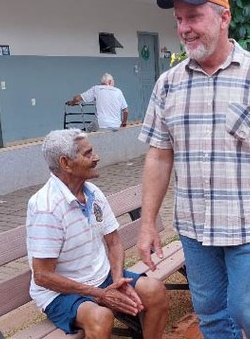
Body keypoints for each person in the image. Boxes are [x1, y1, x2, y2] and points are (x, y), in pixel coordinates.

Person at [137, 0, 250, 338]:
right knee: (211, 315)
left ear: (223, 17)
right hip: (193, 226)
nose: (184, 29)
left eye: (194, 17)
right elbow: (158, 156)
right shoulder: (168, 83)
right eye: (179, 20)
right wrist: (148, 222)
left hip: (246, 223)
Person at [26, 129, 168, 339]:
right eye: (88, 154)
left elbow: (114, 242)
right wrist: (100, 295)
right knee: (101, 318)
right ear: (66, 163)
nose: (96, 157)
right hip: (60, 293)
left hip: (103, 278)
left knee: (156, 292)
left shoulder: (92, 192)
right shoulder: (46, 207)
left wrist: (118, 280)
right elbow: (43, 276)